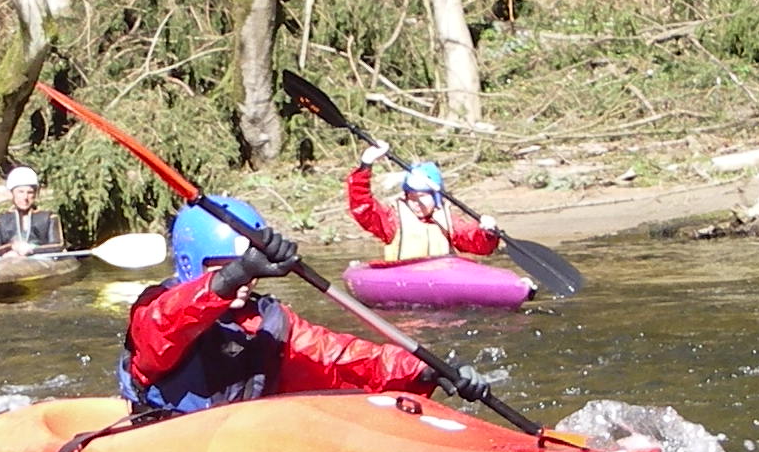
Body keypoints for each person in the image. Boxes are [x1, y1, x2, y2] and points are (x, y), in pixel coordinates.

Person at [119, 197, 491, 413]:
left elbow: (339, 357)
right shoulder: (155, 310)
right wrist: (233, 276)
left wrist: (428, 370)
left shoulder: (269, 321)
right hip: (171, 437)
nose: (245, 282)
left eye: (250, 270)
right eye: (227, 269)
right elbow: (169, 324)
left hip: (246, 444)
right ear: (191, 265)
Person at [346, 146, 501, 263]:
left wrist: (487, 233)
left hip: (440, 283)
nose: (416, 203)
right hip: (404, 283)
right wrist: (365, 165)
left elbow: (479, 246)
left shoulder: (449, 222)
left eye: (422, 197)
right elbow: (363, 207)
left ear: (436, 197)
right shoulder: (393, 221)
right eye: (411, 198)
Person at [0, 166, 62, 257]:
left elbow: (58, 246)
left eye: (30, 192)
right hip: (10, 260)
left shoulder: (49, 218)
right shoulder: (1, 221)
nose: (25, 197)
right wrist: (11, 247)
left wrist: (32, 249)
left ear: (35, 194)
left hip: (42, 260)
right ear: (12, 194)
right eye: (20, 192)